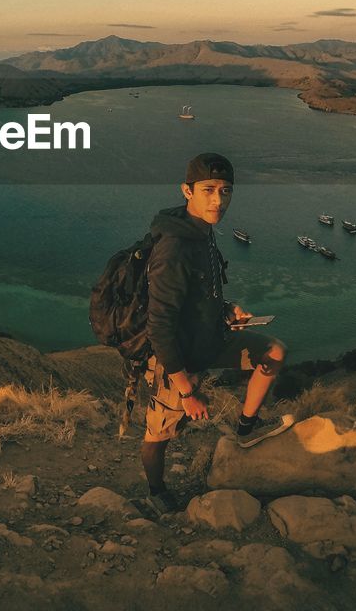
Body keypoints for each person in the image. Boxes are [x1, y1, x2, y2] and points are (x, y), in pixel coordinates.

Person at [140, 151, 291, 514]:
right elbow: (158, 327)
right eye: (208, 190)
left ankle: (246, 427)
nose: (218, 200)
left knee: (273, 351)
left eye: (225, 191)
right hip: (176, 358)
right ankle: (156, 490)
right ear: (187, 191)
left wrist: (227, 310)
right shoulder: (174, 248)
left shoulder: (204, 233)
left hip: (209, 338)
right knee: (158, 435)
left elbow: (203, 291)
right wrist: (188, 391)